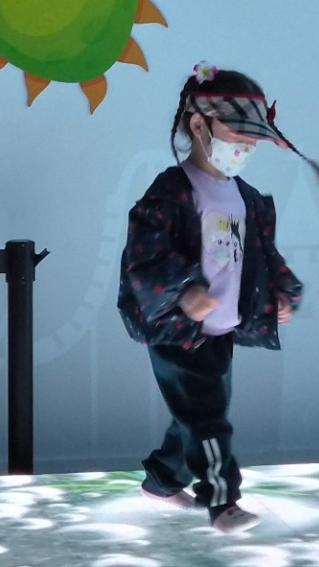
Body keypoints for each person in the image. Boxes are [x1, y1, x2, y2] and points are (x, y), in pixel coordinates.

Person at [118, 63, 304, 534]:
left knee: (197, 414)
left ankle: (162, 480)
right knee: (207, 419)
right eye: (238, 136)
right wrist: (184, 290)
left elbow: (262, 254)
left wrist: (282, 291)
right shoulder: (170, 192)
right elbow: (143, 257)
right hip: (179, 333)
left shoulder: (245, 196)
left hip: (220, 330)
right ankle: (222, 502)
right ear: (199, 125)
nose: (246, 148)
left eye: (253, 140)